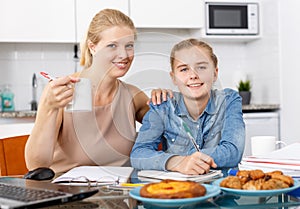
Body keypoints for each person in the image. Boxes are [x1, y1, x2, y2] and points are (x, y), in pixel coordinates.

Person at [25, 9, 151, 173]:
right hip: (68, 192)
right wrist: (49, 107)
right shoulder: (61, 93)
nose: (124, 55)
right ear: (93, 47)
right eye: (112, 45)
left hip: (119, 193)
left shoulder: (133, 96)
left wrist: (165, 99)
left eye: (129, 46)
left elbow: (171, 129)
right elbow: (36, 165)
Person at [130, 38, 245, 175]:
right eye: (184, 69)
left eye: (201, 67)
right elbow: (138, 154)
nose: (193, 75)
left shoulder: (229, 100)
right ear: (173, 77)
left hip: (222, 188)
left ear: (215, 73)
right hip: (178, 190)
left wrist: (190, 159)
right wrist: (178, 162)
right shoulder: (163, 106)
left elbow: (233, 152)